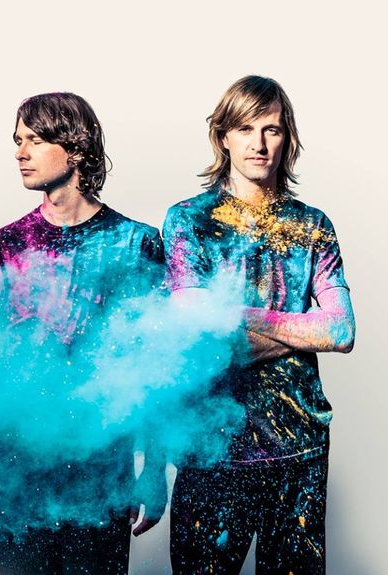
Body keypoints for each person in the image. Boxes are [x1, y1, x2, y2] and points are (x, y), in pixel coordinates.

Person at [0, 92, 166, 575]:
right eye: (18, 140)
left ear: (75, 148)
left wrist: (154, 472)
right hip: (16, 473)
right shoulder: (5, 245)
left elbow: (156, 371)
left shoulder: (137, 244)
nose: (19, 152)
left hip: (102, 472)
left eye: (34, 139)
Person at [163, 76, 355, 574]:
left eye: (271, 129)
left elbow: (341, 331)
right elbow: (204, 340)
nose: (259, 143)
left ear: (287, 138)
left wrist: (234, 315)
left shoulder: (313, 225)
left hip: (299, 447)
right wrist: (302, 331)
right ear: (223, 136)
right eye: (245, 128)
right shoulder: (189, 221)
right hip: (213, 449)